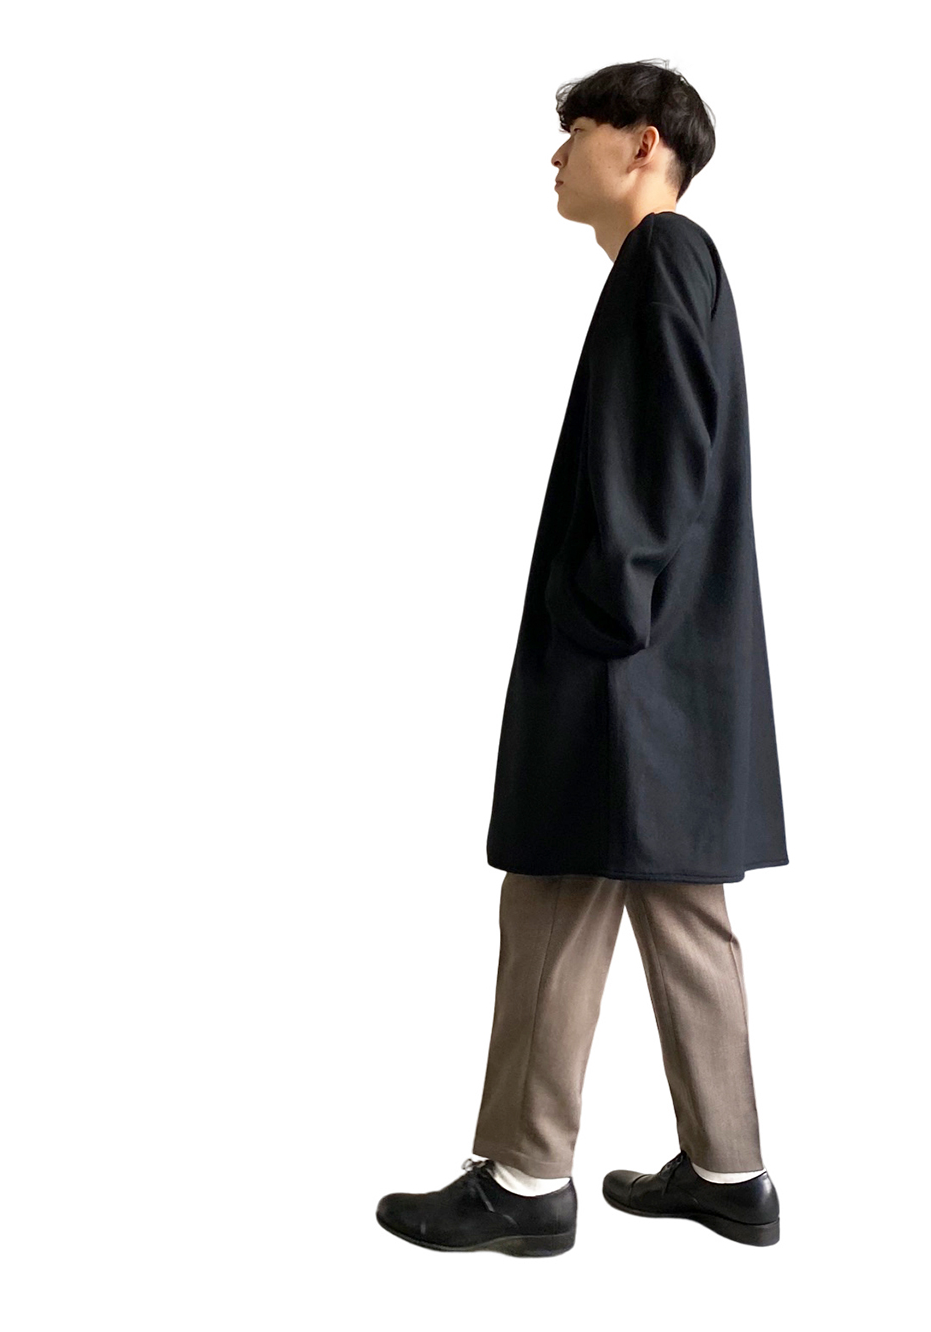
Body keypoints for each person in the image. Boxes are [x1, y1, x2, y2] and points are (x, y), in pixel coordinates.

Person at [376, 59, 788, 1257]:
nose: (556, 157)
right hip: (669, 666)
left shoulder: (661, 256)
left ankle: (522, 1178)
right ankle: (730, 1171)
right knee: (682, 908)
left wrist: (596, 612)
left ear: (643, 143)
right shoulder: (679, 266)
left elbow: (660, 464)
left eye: (578, 132)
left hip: (622, 664)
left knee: (555, 891)